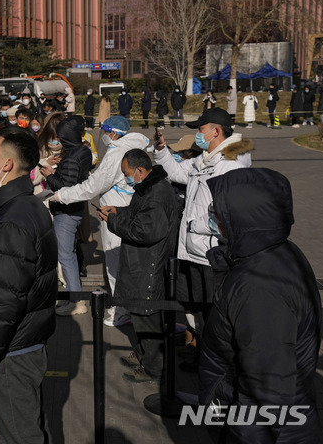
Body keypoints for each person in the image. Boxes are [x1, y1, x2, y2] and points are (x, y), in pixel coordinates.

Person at [200, 168, 321, 443]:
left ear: (243, 218)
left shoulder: (260, 287)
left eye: (218, 212)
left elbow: (266, 392)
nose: (211, 217)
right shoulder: (272, 253)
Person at [0, 126, 57, 444]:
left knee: (19, 435)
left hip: (13, 351)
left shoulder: (12, 220)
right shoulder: (27, 206)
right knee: (29, 426)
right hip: (25, 342)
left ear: (7, 164)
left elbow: (6, 298)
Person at [153, 108, 252, 366]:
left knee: (214, 314)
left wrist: (194, 224)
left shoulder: (230, 163)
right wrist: (162, 150)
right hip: (194, 251)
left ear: (216, 131)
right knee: (198, 310)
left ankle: (218, 368)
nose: (197, 134)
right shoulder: (206, 159)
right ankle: (204, 359)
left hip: (212, 254)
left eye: (200, 129)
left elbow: (229, 215)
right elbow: (176, 172)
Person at [49, 116, 150, 326]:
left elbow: (94, 186)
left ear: (113, 132)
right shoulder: (132, 146)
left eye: (104, 130)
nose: (102, 135)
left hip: (116, 213)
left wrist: (62, 195)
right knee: (127, 263)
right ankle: (126, 306)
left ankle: (120, 309)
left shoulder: (116, 153)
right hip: (128, 210)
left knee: (115, 263)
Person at [98, 149, 178, 383]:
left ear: (140, 170)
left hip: (148, 265)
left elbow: (144, 231)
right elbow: (139, 216)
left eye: (127, 174)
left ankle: (154, 367)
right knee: (139, 313)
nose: (126, 178)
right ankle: (144, 354)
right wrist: (119, 211)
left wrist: (113, 221)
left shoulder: (156, 193)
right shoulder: (147, 188)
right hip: (140, 263)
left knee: (146, 315)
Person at [40, 118, 94, 316]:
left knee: (66, 256)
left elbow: (65, 188)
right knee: (68, 254)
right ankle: (74, 297)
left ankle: (77, 301)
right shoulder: (84, 150)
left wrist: (49, 175)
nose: (59, 141)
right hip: (77, 210)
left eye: (61, 137)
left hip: (67, 212)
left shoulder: (71, 158)